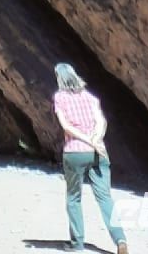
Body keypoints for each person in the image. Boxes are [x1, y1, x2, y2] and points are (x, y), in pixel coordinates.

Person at [52, 63, 128, 254]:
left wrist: (86, 140)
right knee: (105, 198)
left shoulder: (60, 98)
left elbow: (66, 126)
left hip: (75, 152)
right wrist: (96, 138)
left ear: (59, 78)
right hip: (98, 153)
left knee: (73, 198)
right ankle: (120, 240)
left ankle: (77, 243)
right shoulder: (90, 97)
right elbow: (101, 121)